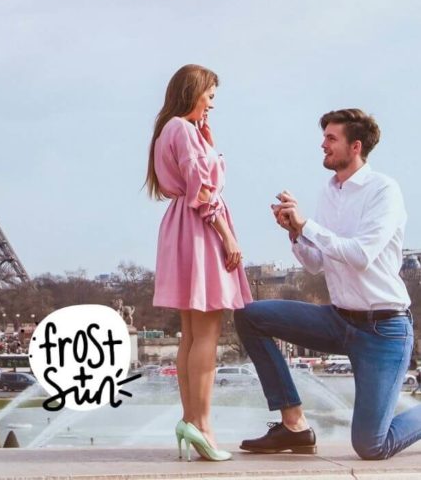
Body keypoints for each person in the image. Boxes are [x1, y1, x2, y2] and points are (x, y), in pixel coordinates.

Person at [235, 108, 420, 460]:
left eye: (331, 138)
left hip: (384, 331)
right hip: (338, 320)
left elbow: (361, 254)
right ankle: (294, 425)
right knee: (249, 315)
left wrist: (307, 226)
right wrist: (295, 233)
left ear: (356, 146)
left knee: (371, 446)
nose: (323, 145)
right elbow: (318, 262)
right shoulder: (330, 191)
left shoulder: (384, 191)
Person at [147, 64, 252, 462]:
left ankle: (190, 420)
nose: (212, 104)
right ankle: (204, 427)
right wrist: (228, 236)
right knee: (207, 333)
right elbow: (203, 192)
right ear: (193, 92)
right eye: (209, 95)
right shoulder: (184, 130)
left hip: (180, 228)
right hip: (202, 228)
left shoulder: (169, 129)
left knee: (191, 334)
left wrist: (207, 138)